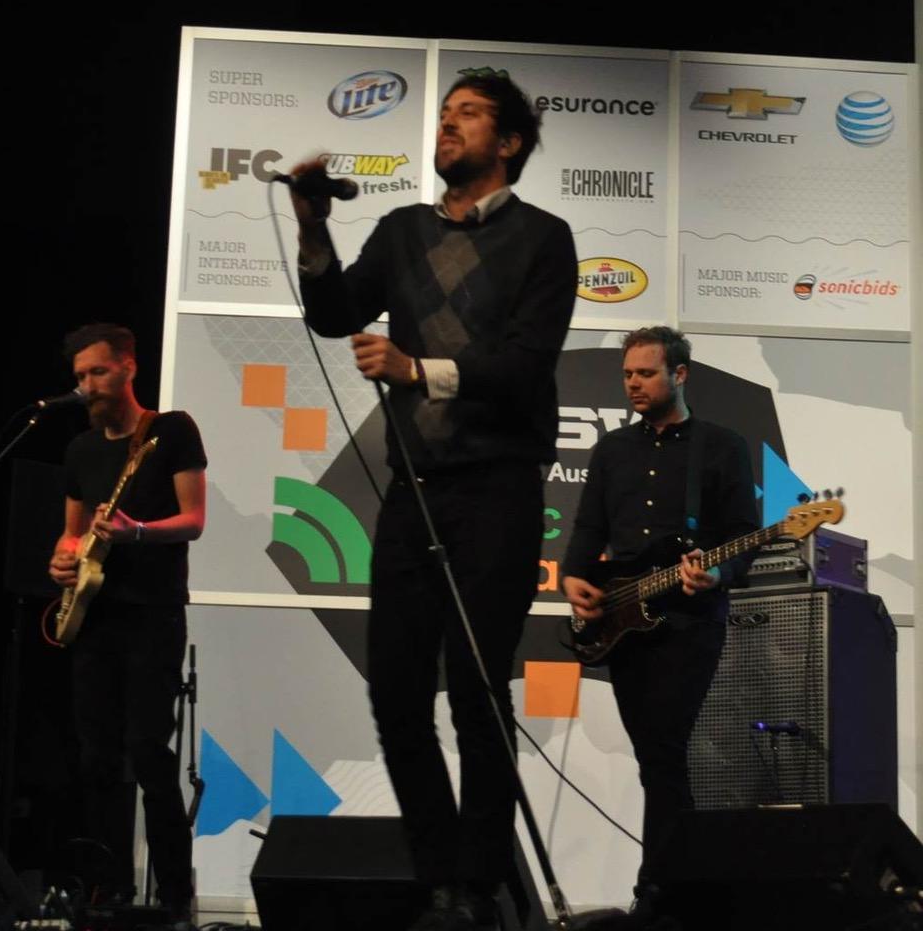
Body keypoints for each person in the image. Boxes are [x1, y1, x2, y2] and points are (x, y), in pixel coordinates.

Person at [290, 73, 578, 931]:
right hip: (413, 491)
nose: (447, 125)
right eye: (445, 115)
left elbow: (525, 366)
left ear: (510, 143)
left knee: (478, 693)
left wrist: (418, 369)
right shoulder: (404, 230)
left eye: (468, 115)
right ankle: (438, 878)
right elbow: (335, 314)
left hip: (497, 488)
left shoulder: (544, 239)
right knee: (396, 695)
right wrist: (313, 226)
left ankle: (477, 886)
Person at [560, 326, 757, 915]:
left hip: (689, 622)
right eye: (627, 374)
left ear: (680, 374)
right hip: (623, 621)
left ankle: (658, 889)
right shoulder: (612, 450)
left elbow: (744, 535)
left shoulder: (721, 446)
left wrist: (717, 573)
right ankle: (679, 885)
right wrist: (574, 578)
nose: (633, 384)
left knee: (664, 750)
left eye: (645, 373)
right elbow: (589, 528)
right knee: (655, 756)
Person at [48, 323, 206, 929]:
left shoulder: (170, 431)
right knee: (96, 758)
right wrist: (62, 559)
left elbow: (193, 520)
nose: (88, 385)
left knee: (148, 753)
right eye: (80, 376)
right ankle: (107, 890)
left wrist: (137, 532)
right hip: (97, 619)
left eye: (98, 372)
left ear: (128, 368)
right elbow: (71, 532)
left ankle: (174, 896)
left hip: (152, 614)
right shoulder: (81, 451)